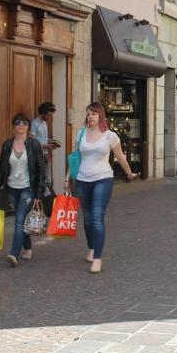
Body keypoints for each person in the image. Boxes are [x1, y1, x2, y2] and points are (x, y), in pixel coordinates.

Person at [71, 102, 138, 274]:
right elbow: (75, 157)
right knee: (86, 219)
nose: (89, 117)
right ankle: (91, 248)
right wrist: (67, 179)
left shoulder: (110, 136)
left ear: (100, 115)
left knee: (96, 217)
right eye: (88, 114)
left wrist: (129, 173)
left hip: (103, 179)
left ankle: (98, 259)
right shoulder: (80, 134)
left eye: (93, 114)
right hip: (82, 180)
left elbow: (120, 156)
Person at [0, 113, 49, 267]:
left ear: (28, 126)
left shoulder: (34, 144)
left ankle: (13, 254)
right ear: (13, 126)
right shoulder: (7, 144)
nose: (21, 125)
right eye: (17, 123)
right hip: (12, 188)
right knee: (22, 219)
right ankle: (27, 248)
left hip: (28, 188)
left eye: (24, 123)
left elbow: (41, 170)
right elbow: (2, 170)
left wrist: (39, 194)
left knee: (19, 219)